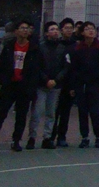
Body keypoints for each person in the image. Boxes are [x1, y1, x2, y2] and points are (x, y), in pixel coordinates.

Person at [0, 19, 42, 151]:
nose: (25, 31)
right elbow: (2, 65)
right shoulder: (9, 46)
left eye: (27, 28)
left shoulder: (34, 48)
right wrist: (4, 81)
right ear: (16, 31)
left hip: (25, 86)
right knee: (1, 112)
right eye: (22, 28)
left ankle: (16, 140)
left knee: (21, 115)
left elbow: (37, 69)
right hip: (10, 85)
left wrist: (31, 86)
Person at [69, 21, 99, 148]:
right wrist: (73, 86)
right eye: (87, 29)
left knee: (94, 111)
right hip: (81, 84)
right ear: (82, 32)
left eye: (92, 29)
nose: (90, 31)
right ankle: (84, 136)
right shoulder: (78, 48)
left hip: (95, 84)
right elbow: (73, 68)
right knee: (82, 111)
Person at [28, 21, 68, 150]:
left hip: (56, 85)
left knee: (51, 112)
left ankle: (47, 137)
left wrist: (56, 80)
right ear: (46, 33)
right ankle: (32, 137)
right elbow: (37, 66)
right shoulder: (40, 47)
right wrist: (46, 80)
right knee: (37, 112)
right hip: (41, 85)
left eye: (56, 29)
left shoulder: (62, 48)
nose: (55, 31)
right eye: (52, 29)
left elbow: (66, 67)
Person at [51, 17, 76, 147]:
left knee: (65, 112)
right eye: (66, 28)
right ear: (61, 30)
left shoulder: (75, 45)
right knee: (54, 111)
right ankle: (51, 135)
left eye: (71, 28)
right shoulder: (57, 45)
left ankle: (62, 136)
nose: (69, 30)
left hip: (70, 84)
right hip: (57, 82)